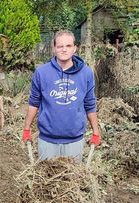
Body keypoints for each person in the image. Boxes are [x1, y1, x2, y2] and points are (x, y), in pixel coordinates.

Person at [22, 30, 101, 161]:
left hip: (74, 141)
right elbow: (34, 102)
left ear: (75, 48)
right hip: (47, 141)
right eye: (60, 46)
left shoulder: (86, 73)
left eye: (68, 46)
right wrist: (26, 129)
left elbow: (90, 104)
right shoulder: (42, 73)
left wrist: (96, 132)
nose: (64, 50)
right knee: (45, 180)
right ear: (54, 48)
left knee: (74, 180)